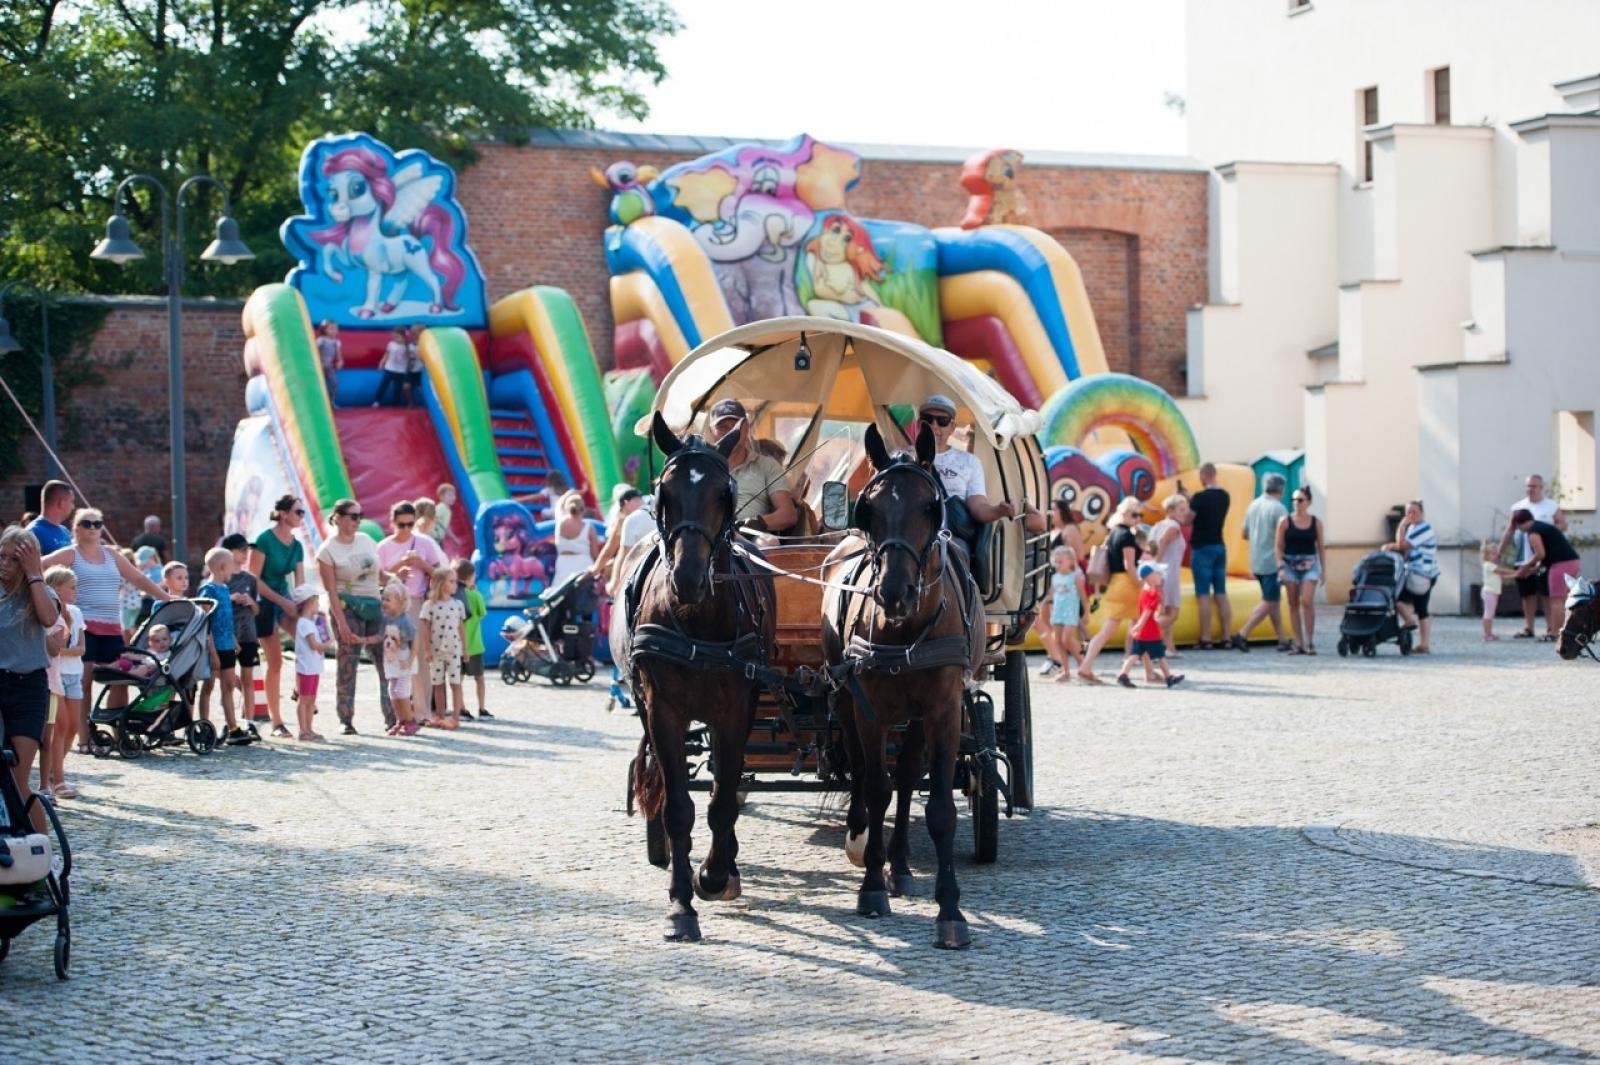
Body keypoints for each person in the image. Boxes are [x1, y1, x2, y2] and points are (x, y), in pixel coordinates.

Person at [43, 507, 169, 750]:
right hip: (83, 627)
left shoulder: (111, 554)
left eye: (97, 523)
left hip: (112, 626)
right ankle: (84, 738)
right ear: (76, 528)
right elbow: (39, 567)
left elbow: (139, 579)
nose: (93, 528)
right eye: (87, 523)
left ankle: (118, 730)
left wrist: (167, 598)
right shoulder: (71, 554)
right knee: (84, 683)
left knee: (120, 679)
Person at [0, 526, 61, 832]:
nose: (5, 565)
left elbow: (50, 619)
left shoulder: (40, 592)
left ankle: (41, 853)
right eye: (2, 557)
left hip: (29, 689)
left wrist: (34, 573)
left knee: (17, 777)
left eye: (14, 560)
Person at [316, 500, 389, 735]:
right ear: (337, 517)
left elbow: (379, 574)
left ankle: (393, 716)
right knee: (348, 662)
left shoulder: (367, 540)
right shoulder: (327, 551)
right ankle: (346, 719)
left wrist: (397, 577)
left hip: (374, 605)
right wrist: (341, 622)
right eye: (352, 516)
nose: (357, 521)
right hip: (347, 606)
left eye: (360, 516)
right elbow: (331, 590)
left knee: (386, 660)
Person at [377, 500, 445, 719]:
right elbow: (378, 577)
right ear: (392, 523)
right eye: (401, 525)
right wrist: (398, 571)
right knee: (393, 655)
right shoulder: (384, 547)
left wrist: (421, 563)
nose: (406, 529)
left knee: (420, 657)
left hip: (416, 602)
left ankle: (422, 712)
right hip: (392, 607)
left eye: (409, 524)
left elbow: (440, 575)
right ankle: (399, 712)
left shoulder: (424, 543)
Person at [248, 495, 307, 739]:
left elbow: (301, 583)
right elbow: (253, 579)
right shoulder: (264, 540)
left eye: (302, 512)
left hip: (283, 593)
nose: (301, 516)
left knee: (306, 639)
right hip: (262, 599)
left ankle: (300, 689)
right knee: (275, 661)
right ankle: (277, 720)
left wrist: (304, 607)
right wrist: (283, 601)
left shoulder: (297, 545)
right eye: (298, 512)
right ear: (283, 514)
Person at [702, 398, 798, 537]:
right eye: (722, 427)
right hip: (706, 538)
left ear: (746, 428)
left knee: (770, 542)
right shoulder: (699, 467)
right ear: (711, 431)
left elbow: (788, 514)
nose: (730, 433)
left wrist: (758, 522)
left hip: (750, 538)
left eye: (735, 426)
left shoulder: (767, 466)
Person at [1076, 497, 1143, 685]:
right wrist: (1140, 584)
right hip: (1127, 584)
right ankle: (1088, 666)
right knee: (1140, 627)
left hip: (1115, 584)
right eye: (1134, 514)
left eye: (1139, 515)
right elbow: (1129, 565)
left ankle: (1087, 666)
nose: (1137, 518)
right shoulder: (1127, 536)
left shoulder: (1113, 533)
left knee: (1117, 629)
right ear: (1124, 513)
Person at [1499, 474, 1567, 639]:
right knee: (1526, 593)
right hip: (1523, 556)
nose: (1531, 489)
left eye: (1534, 486)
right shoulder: (1518, 507)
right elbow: (1509, 530)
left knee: (1546, 592)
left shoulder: (1550, 506)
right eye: (1528, 486)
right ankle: (1528, 627)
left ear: (1541, 487)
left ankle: (1551, 627)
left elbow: (1563, 525)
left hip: (1544, 557)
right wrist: (1500, 550)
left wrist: (1546, 533)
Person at [195, 546, 247, 744]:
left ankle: (233, 728)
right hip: (213, 648)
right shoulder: (208, 590)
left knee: (228, 686)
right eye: (231, 565)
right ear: (223, 566)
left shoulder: (225, 589)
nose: (233, 570)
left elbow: (226, 618)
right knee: (208, 687)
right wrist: (212, 650)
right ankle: (204, 726)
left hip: (226, 645)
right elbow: (204, 623)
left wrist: (233, 639)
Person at [1233, 474, 1290, 653]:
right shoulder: (1279, 509)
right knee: (1270, 601)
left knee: (1273, 600)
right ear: (1281, 489)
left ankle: (1282, 638)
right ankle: (1243, 633)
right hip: (1272, 562)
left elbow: (1244, 533)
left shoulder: (1253, 505)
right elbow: (1286, 537)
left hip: (1256, 559)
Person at [1510, 507, 1581, 643]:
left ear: (1519, 524)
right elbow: (1546, 556)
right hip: (1571, 561)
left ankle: (1555, 633)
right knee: (1563, 599)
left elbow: (1540, 554)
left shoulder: (1533, 532)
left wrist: (1525, 566)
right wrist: (1533, 570)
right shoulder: (1542, 526)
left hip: (1561, 564)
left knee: (1555, 600)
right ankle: (1568, 630)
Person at [42, 565, 83, 800]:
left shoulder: (74, 613)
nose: (76, 591)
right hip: (51, 677)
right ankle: (57, 780)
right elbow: (58, 648)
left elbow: (80, 647)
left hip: (68, 675)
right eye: (72, 587)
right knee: (56, 730)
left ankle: (53, 773)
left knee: (70, 728)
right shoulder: (50, 612)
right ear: (56, 589)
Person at [1035, 499, 1086, 677]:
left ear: (1062, 511)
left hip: (1066, 584)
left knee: (1062, 630)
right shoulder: (1054, 530)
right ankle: (1057, 659)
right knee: (1046, 623)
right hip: (1054, 582)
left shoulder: (1070, 529)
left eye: (1053, 509)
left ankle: (1076, 663)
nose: (1050, 512)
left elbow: (1078, 555)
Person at [1115, 561, 1184, 689]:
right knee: (1161, 655)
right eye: (1158, 574)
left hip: (1142, 633)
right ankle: (1169, 678)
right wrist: (1140, 625)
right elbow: (1147, 612)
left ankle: (1123, 675)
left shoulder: (1143, 592)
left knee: (1134, 655)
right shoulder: (1153, 594)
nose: (1160, 577)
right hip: (1151, 632)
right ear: (1149, 576)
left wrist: (1138, 627)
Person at [1386, 499, 1441, 654]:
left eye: (1414, 512)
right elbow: (1403, 544)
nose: (1410, 515)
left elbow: (1403, 545)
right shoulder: (1413, 528)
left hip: (1422, 574)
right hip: (1416, 573)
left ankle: (1420, 638)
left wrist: (1401, 526)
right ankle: (1420, 639)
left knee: (1409, 604)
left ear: (1422, 513)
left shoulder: (1423, 528)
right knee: (1413, 605)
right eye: (1408, 512)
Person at [1276, 486, 1326, 655]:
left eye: (1300, 500)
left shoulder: (1316, 522)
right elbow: (1278, 546)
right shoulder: (1284, 521)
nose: (1296, 503)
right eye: (1294, 500)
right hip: (1289, 564)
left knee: (1307, 601)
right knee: (1293, 603)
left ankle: (1310, 641)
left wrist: (1323, 570)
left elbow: (1321, 547)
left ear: (1309, 502)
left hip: (1310, 564)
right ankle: (1298, 642)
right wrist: (1280, 567)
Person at [1187, 463, 1232, 649]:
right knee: (1221, 593)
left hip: (1202, 547)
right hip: (1219, 545)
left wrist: (1188, 501)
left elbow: (1188, 519)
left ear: (1204, 475)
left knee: (1203, 594)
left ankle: (1206, 637)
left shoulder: (1198, 498)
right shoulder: (1225, 496)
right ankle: (1227, 636)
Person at [221, 534, 263, 725]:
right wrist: (230, 599)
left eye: (247, 550)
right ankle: (231, 723)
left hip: (248, 634)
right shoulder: (222, 580)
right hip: (227, 636)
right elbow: (213, 607)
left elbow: (256, 610)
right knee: (226, 681)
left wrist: (250, 602)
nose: (246, 554)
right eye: (242, 550)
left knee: (249, 680)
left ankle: (250, 722)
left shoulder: (251, 579)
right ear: (230, 553)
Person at [418, 567, 466, 730]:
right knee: (437, 683)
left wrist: (465, 649)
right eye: (451, 581)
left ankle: (455, 717)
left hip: (454, 649)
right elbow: (425, 628)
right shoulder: (429, 605)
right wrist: (426, 650)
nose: (455, 585)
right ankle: (439, 715)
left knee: (455, 683)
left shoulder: (458, 605)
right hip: (435, 650)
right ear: (440, 583)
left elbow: (461, 628)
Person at [377, 582, 420, 736]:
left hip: (403, 659)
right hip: (391, 659)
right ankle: (399, 720)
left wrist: (410, 659)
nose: (384, 602)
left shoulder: (404, 619)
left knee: (401, 690)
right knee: (392, 690)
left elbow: (415, 639)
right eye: (384, 599)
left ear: (400, 602)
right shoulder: (386, 618)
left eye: (388, 599)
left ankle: (410, 721)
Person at [1149, 494, 1189, 655]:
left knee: (1164, 609)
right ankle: (1145, 636)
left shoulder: (1158, 525)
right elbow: (1162, 543)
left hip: (1162, 571)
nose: (1184, 513)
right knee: (1173, 613)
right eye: (1181, 509)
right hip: (1168, 572)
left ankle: (1169, 647)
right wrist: (1157, 566)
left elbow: (1151, 546)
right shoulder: (1174, 527)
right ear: (1170, 510)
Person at [289, 584, 328, 742]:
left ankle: (309, 728)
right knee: (304, 699)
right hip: (305, 668)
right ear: (309, 603)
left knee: (311, 699)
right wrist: (328, 644)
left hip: (313, 667)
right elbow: (314, 645)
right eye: (316, 602)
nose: (318, 606)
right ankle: (303, 730)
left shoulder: (311, 622)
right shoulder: (304, 623)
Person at [591, 486, 648, 590]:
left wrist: (613, 584)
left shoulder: (629, 520)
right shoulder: (655, 508)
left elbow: (620, 553)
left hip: (641, 569)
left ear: (625, 504)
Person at [1047, 545, 1088, 682]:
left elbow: (1082, 595)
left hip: (1070, 612)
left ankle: (1082, 664)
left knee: (1067, 639)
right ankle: (1066, 671)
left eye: (1061, 561)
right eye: (1056, 562)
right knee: (1058, 641)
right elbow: (1051, 596)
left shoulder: (1074, 577)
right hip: (1058, 612)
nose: (1058, 565)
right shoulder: (1055, 578)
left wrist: (1086, 613)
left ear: (1070, 561)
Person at [456, 559, 489, 719]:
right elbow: (482, 615)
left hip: (458, 645)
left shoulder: (454, 596)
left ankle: (462, 708)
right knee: (479, 678)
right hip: (475, 644)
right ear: (471, 577)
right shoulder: (476, 595)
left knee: (458, 680)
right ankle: (482, 709)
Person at [552, 491, 602, 587]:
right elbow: (595, 554)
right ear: (583, 509)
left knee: (559, 590)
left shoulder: (560, 523)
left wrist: (567, 494)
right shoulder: (589, 527)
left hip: (563, 562)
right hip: (583, 563)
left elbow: (558, 506)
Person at [25, 480, 76, 555]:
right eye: (71, 501)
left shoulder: (65, 531)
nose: (73, 507)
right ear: (61, 503)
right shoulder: (33, 532)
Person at [1480, 538, 1515, 642]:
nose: (1495, 556)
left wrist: (1515, 575)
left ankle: (1489, 633)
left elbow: (1502, 576)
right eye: (1493, 554)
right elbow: (1502, 571)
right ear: (1487, 555)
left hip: (1493, 592)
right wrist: (1515, 572)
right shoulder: (1488, 565)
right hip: (1489, 592)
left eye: (1496, 554)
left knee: (1490, 614)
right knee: (1488, 614)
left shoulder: (1492, 566)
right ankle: (1486, 634)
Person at [375, 326, 410, 407]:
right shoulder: (391, 344)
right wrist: (382, 362)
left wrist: (407, 371)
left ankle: (395, 404)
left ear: (403, 337)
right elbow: (387, 354)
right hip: (389, 369)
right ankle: (377, 401)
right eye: (394, 336)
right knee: (383, 385)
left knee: (397, 389)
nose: (396, 338)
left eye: (398, 337)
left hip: (400, 371)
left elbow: (408, 359)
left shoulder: (406, 346)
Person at [317, 319, 343, 402]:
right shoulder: (321, 340)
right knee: (319, 384)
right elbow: (315, 351)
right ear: (324, 329)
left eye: (335, 329)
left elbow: (338, 354)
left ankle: (330, 401)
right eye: (331, 328)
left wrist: (340, 361)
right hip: (319, 365)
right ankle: (319, 402)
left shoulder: (336, 342)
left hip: (329, 366)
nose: (334, 331)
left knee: (334, 383)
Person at [435, 483, 457, 549]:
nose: (453, 497)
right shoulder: (441, 507)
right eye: (450, 495)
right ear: (441, 497)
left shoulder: (448, 510)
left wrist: (454, 538)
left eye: (454, 495)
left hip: (438, 539)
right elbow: (433, 518)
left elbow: (446, 527)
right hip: (434, 538)